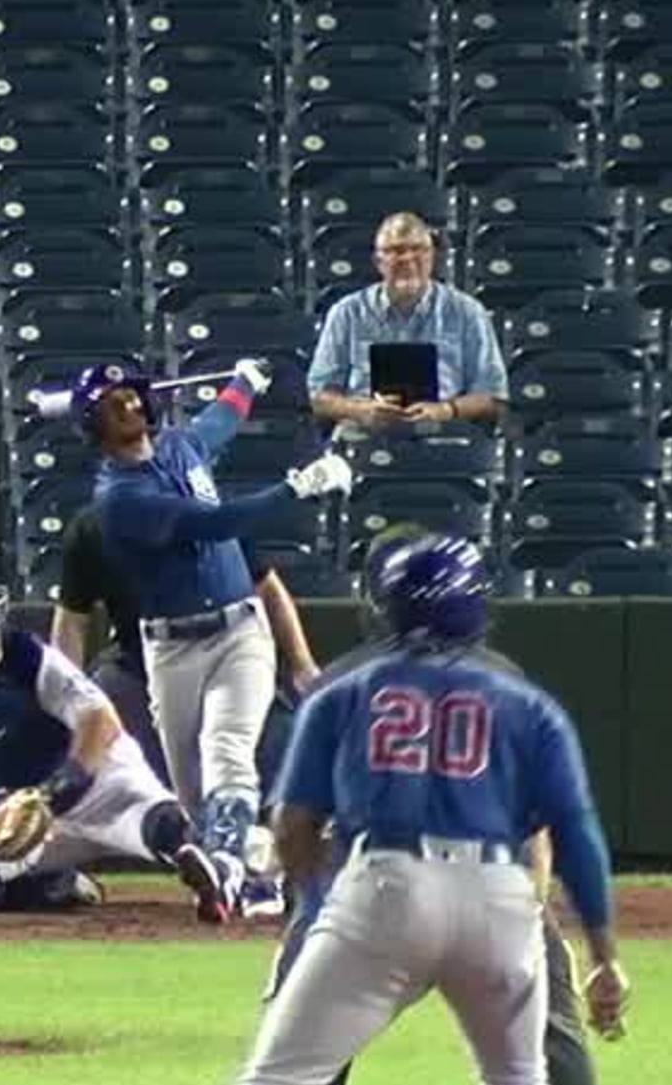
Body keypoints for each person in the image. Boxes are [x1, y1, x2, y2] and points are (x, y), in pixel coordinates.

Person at [106, 533, 629, 1085]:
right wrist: (603, 958)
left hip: (383, 882)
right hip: (497, 893)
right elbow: (576, 838)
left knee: (273, 1084)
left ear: (380, 607)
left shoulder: (343, 692)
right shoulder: (524, 703)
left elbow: (292, 827)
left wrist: (319, 904)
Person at [244, 526, 630, 1085]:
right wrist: (543, 917)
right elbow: (544, 821)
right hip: (491, 882)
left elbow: (301, 824)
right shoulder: (506, 676)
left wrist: (311, 915)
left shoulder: (342, 681)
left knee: (296, 1054)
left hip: (370, 885)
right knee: (541, 1056)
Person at [74, 360, 356, 920]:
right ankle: (255, 863)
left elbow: (218, 424)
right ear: (96, 426)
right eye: (114, 404)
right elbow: (217, 523)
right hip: (170, 648)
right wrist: (300, 485)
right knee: (192, 792)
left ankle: (228, 870)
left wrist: (245, 384)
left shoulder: (179, 447)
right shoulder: (119, 500)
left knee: (228, 751)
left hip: (239, 632)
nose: (129, 406)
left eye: (131, 396)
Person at [0, 567, 227, 916]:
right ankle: (55, 884)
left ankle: (216, 863)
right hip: (33, 816)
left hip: (99, 784)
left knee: (165, 827)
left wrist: (63, 784)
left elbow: (100, 721)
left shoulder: (30, 659)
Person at [48, 504, 318, 919]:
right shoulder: (95, 526)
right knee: (179, 782)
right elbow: (72, 619)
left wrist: (301, 664)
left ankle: (260, 869)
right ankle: (232, 860)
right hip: (141, 663)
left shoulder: (207, 508)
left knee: (242, 751)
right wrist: (67, 702)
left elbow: (267, 587)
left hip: (230, 647)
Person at [305, 213, 507, 435]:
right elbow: (318, 396)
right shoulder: (346, 313)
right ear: (378, 261)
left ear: (432, 256)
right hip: (364, 435)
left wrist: (446, 410)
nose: (407, 258)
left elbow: (493, 397)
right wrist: (360, 410)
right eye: (395, 250)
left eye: (418, 249)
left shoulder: (468, 312)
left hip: (444, 434)